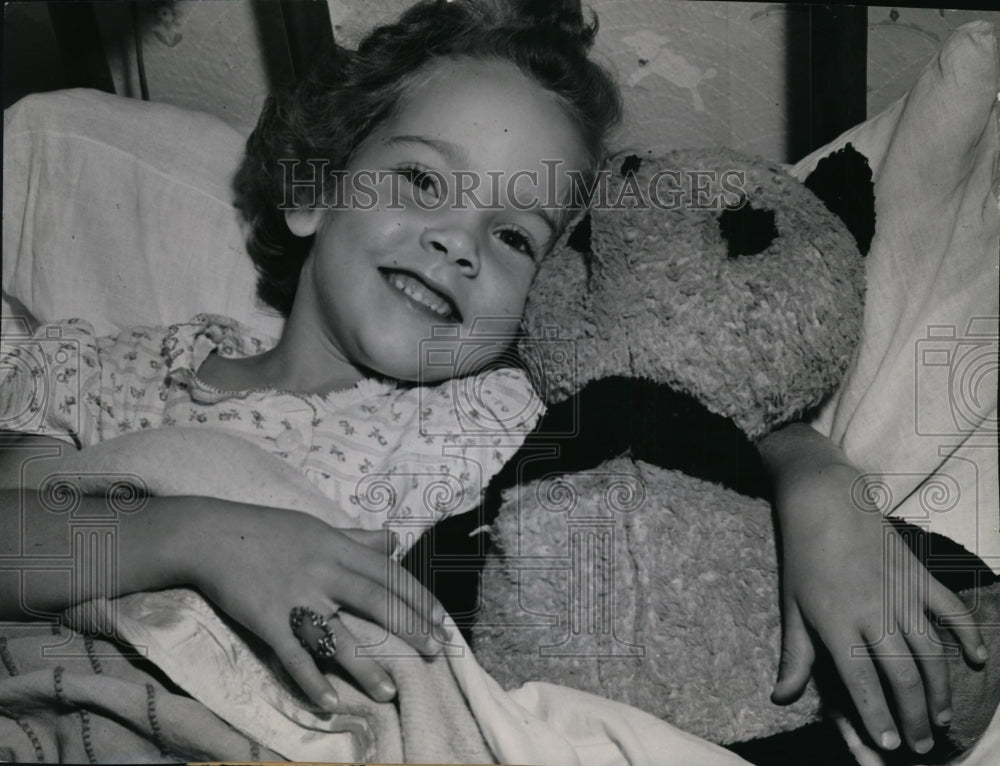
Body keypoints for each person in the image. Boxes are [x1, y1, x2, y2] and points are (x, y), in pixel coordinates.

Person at [0, 0, 987, 759]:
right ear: (313, 190)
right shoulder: (105, 368)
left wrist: (814, 475)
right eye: (424, 181)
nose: (456, 243)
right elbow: (13, 546)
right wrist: (198, 537)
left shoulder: (516, 414)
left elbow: (680, 422)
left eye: (514, 235)